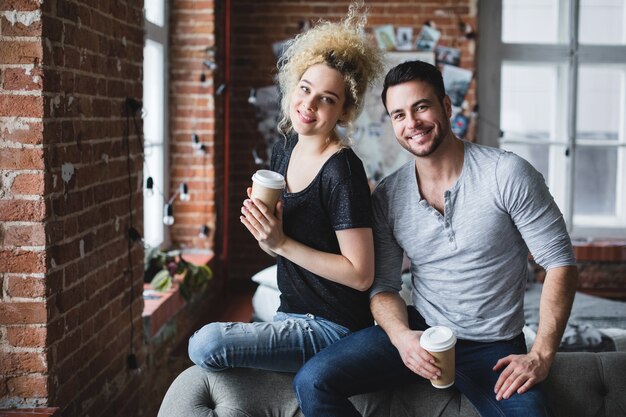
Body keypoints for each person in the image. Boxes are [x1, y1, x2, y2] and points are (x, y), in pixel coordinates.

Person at [293, 60, 579, 417]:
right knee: (313, 381)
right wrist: (401, 337)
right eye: (398, 115)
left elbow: (560, 262)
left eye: (421, 107)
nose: (411, 123)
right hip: (422, 330)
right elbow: (382, 287)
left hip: (495, 347)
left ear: (446, 107)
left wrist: (541, 354)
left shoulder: (507, 174)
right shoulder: (388, 195)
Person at [188, 2, 384, 373]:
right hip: (289, 313)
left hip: (334, 327)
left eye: (327, 99)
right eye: (305, 89)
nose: (308, 105)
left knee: (207, 343)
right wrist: (267, 235)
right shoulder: (285, 146)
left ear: (344, 111)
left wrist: (281, 244)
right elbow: (281, 248)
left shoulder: (342, 170)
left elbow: (361, 275)